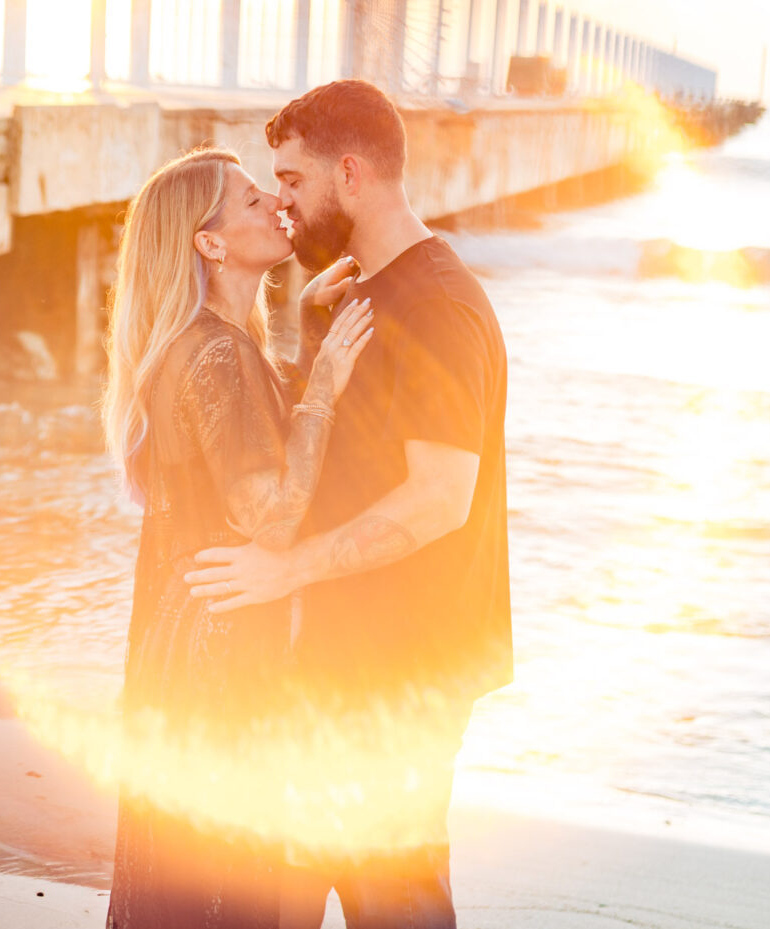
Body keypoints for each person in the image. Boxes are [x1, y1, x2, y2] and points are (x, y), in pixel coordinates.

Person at [184, 79, 513, 929]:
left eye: (293, 180)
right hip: (340, 655)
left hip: (404, 670)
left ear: (352, 175)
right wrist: (306, 340)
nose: (283, 203)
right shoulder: (361, 293)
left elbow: (440, 498)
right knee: (292, 889)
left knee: (391, 895)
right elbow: (337, 456)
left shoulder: (438, 306)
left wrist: (286, 570)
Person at [101, 146, 375, 929]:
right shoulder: (218, 351)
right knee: (226, 888)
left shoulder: (205, 342)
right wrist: (324, 387)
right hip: (217, 657)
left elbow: (250, 446)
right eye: (254, 200)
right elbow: (271, 515)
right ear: (209, 242)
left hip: (180, 644)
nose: (277, 205)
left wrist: (303, 331)